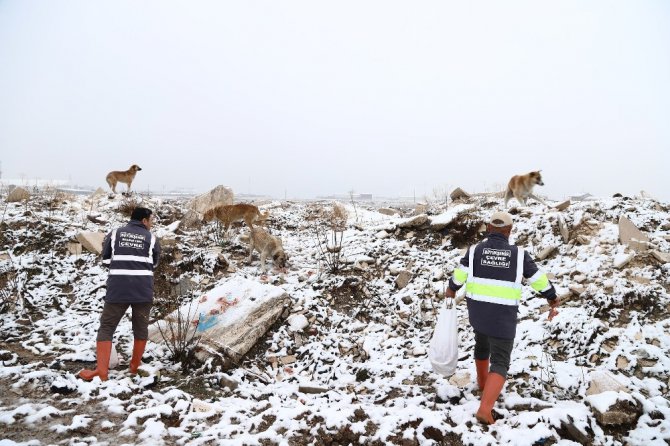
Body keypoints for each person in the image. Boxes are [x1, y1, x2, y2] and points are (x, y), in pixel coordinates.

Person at [445, 211, 559, 424]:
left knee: (481, 344)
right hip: (502, 317)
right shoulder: (519, 255)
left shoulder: (474, 251)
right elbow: (537, 280)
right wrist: (551, 297)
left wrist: (451, 290)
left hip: (477, 313)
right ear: (509, 231)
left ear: (489, 229)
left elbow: (459, 275)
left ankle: (482, 383)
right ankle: (485, 409)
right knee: (500, 361)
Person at [79, 207, 161, 381]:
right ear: (144, 221)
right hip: (142, 290)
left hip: (118, 288)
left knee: (107, 328)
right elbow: (153, 264)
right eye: (151, 220)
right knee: (140, 329)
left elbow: (107, 260)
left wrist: (122, 267)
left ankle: (101, 372)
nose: (151, 224)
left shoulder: (115, 234)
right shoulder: (152, 238)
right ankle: (134, 367)